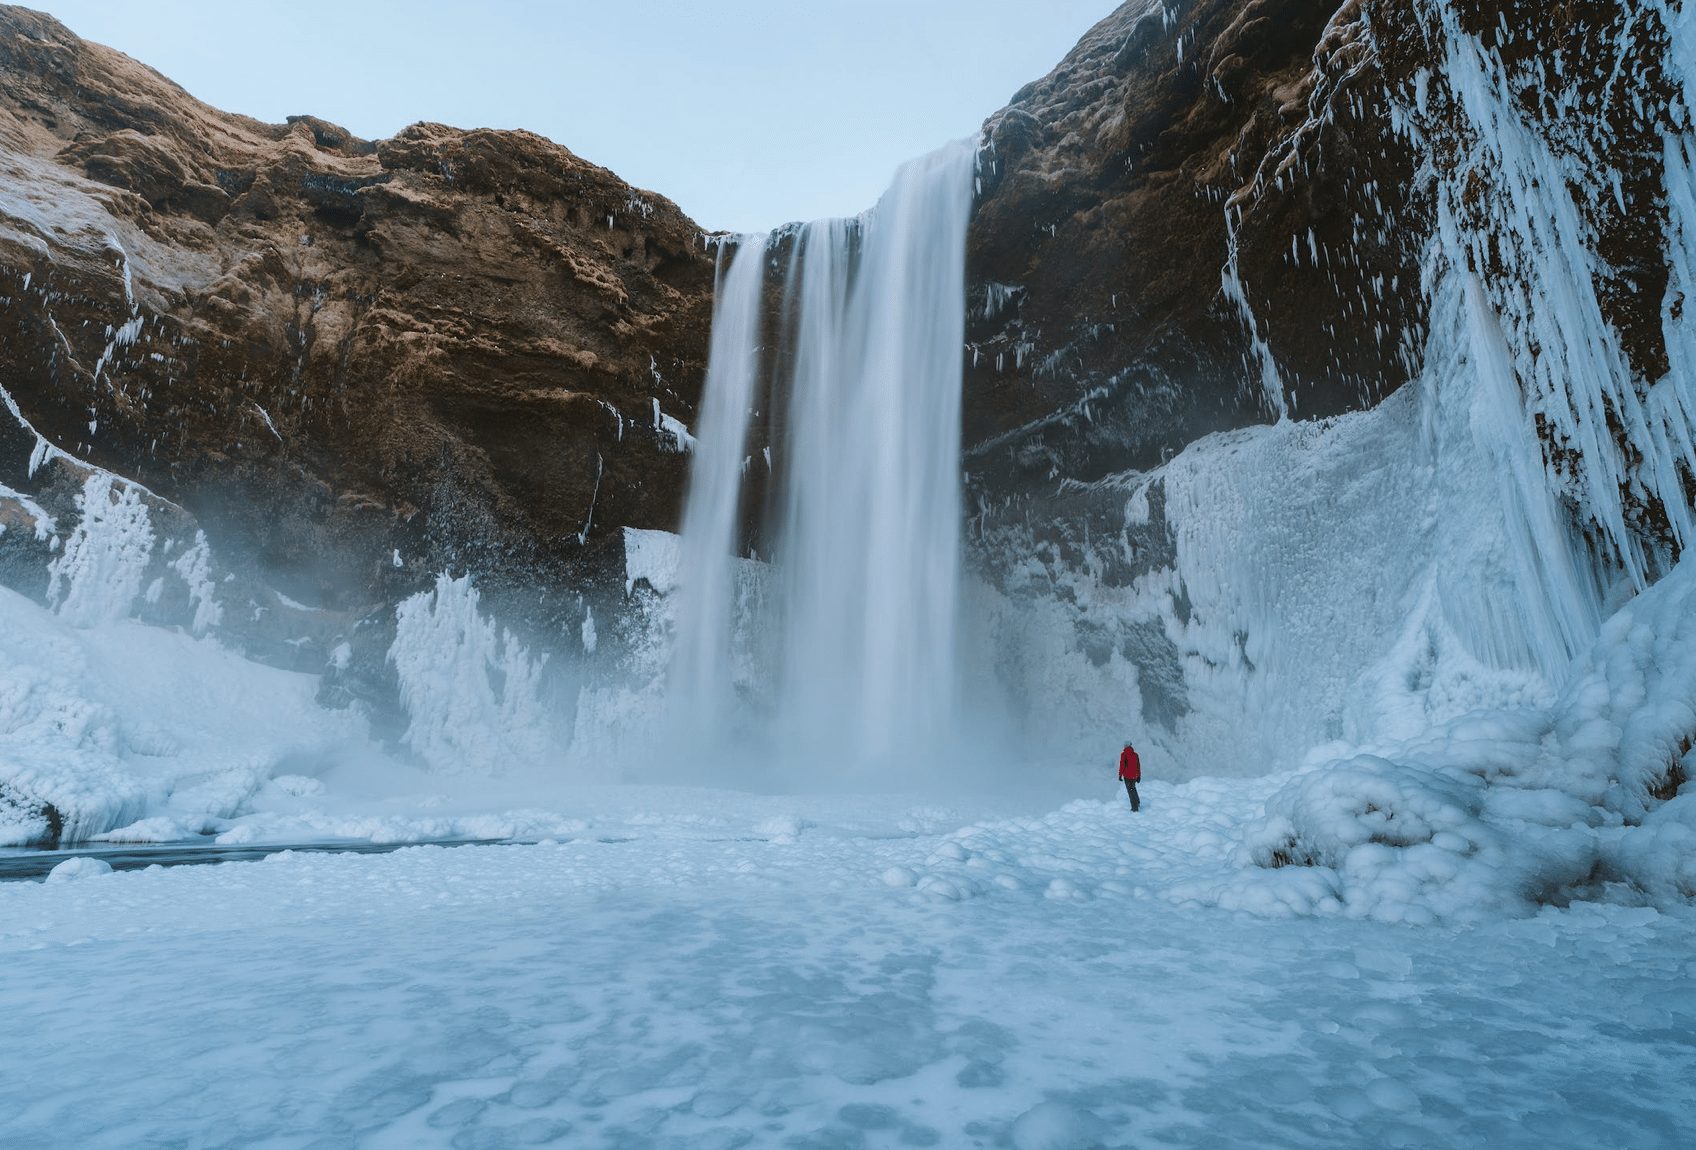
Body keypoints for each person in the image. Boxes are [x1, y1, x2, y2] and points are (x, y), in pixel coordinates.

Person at [1118, 742, 1142, 812]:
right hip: (1134, 776)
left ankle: (1134, 808)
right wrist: (1139, 776)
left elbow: (1122, 765)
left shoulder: (1123, 754)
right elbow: (1138, 766)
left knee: (1130, 791)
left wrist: (1120, 775)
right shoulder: (1135, 755)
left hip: (1127, 777)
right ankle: (1137, 803)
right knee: (1133, 789)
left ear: (1125, 746)